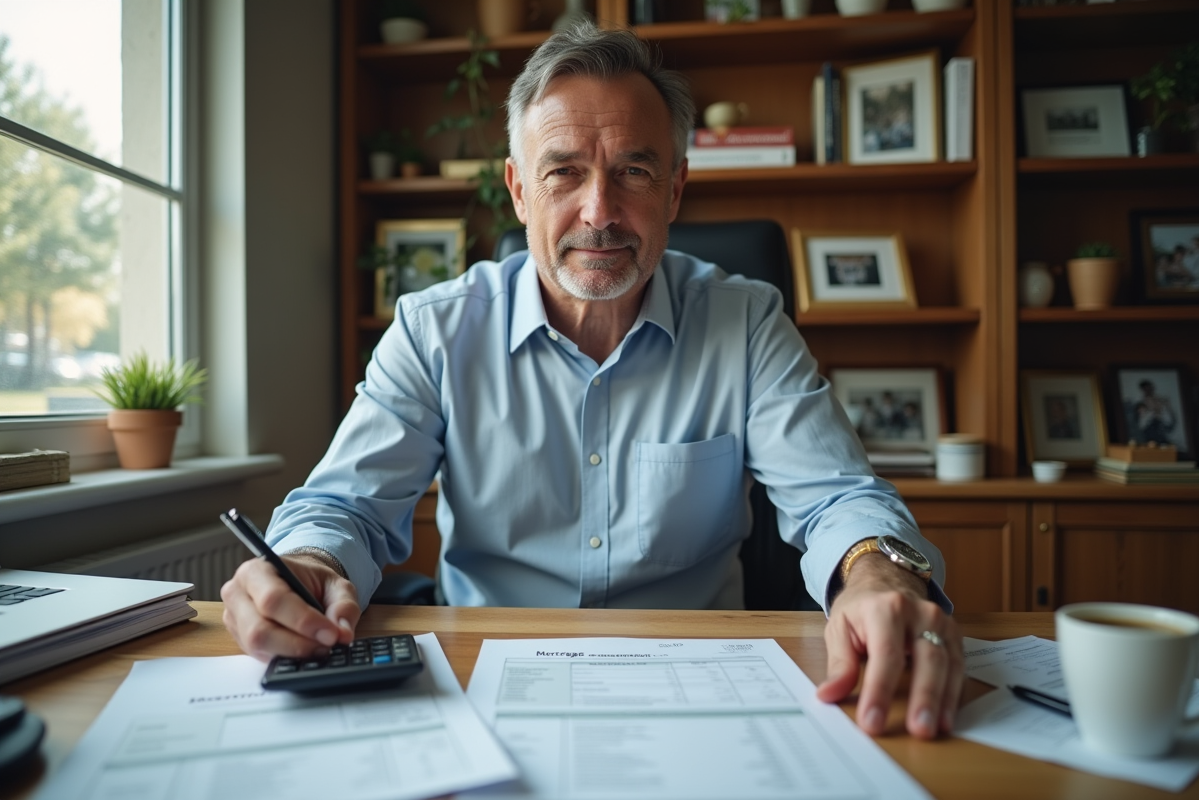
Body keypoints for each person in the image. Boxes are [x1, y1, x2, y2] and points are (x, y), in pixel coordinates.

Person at [221, 23, 962, 741]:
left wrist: (878, 575)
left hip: (700, 691)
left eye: (634, 171)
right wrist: (308, 564)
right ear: (519, 190)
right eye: (563, 170)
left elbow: (839, 497)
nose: (599, 211)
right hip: (488, 688)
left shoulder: (745, 324)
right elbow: (342, 506)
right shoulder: (435, 330)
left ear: (674, 192)